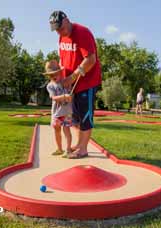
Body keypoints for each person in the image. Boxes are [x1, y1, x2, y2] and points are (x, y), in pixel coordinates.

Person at [49, 10, 102, 159]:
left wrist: (72, 77)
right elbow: (63, 60)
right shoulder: (62, 37)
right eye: (56, 30)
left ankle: (83, 149)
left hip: (87, 83)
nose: (59, 32)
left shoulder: (82, 32)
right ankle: (79, 145)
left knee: (85, 117)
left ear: (66, 20)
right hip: (70, 85)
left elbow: (91, 59)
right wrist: (58, 78)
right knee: (76, 118)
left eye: (61, 28)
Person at [43, 60, 73, 158]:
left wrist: (69, 96)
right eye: (51, 75)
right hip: (56, 113)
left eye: (55, 74)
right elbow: (53, 98)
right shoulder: (50, 86)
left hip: (67, 112)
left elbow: (71, 94)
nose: (53, 76)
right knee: (57, 131)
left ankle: (68, 150)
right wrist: (64, 96)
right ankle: (59, 149)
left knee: (67, 130)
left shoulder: (66, 82)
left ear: (60, 73)